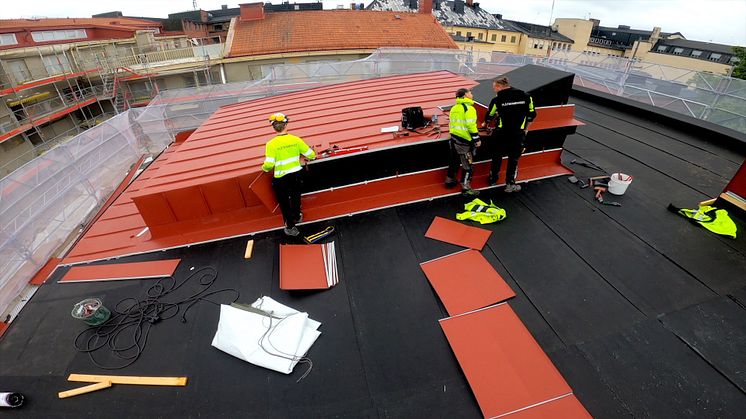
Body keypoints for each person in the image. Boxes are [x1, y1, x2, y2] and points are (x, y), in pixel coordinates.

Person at [262, 113, 316, 236]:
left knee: (284, 202)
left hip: (281, 178)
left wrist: (263, 168)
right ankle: (297, 216)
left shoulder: (271, 144)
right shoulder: (296, 140)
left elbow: (269, 165)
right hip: (296, 174)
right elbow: (311, 155)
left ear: (274, 127)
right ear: (286, 125)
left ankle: (291, 227)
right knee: (296, 196)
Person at [483, 76, 536, 193]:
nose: (494, 90)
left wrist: (485, 123)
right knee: (514, 159)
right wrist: (526, 129)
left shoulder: (497, 100)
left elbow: (490, 115)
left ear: (499, 86)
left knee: (497, 156)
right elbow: (532, 114)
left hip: (501, 133)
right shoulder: (526, 96)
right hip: (518, 133)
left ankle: (493, 179)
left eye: (494, 88)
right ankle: (510, 184)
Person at [445, 88, 481, 196]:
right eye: (470, 92)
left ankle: (449, 181)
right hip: (464, 142)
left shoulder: (454, 108)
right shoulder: (469, 108)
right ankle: (466, 188)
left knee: (454, 161)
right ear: (465, 95)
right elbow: (471, 125)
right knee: (468, 166)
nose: (472, 94)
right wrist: (477, 139)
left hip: (454, 139)